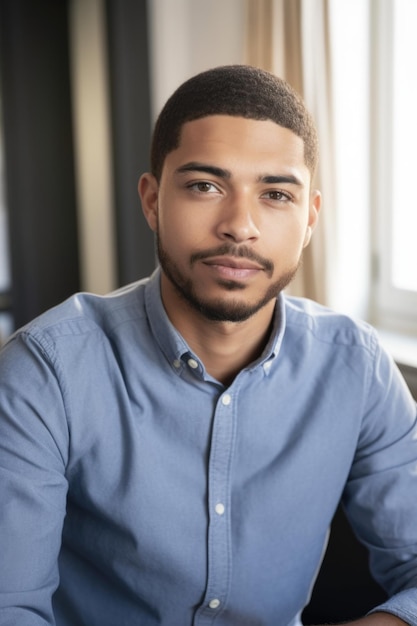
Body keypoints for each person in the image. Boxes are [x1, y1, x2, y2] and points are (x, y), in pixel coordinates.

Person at [0, 65, 416, 626]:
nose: (240, 226)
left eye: (275, 194)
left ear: (310, 217)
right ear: (152, 201)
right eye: (205, 186)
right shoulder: (46, 369)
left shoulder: (357, 369)